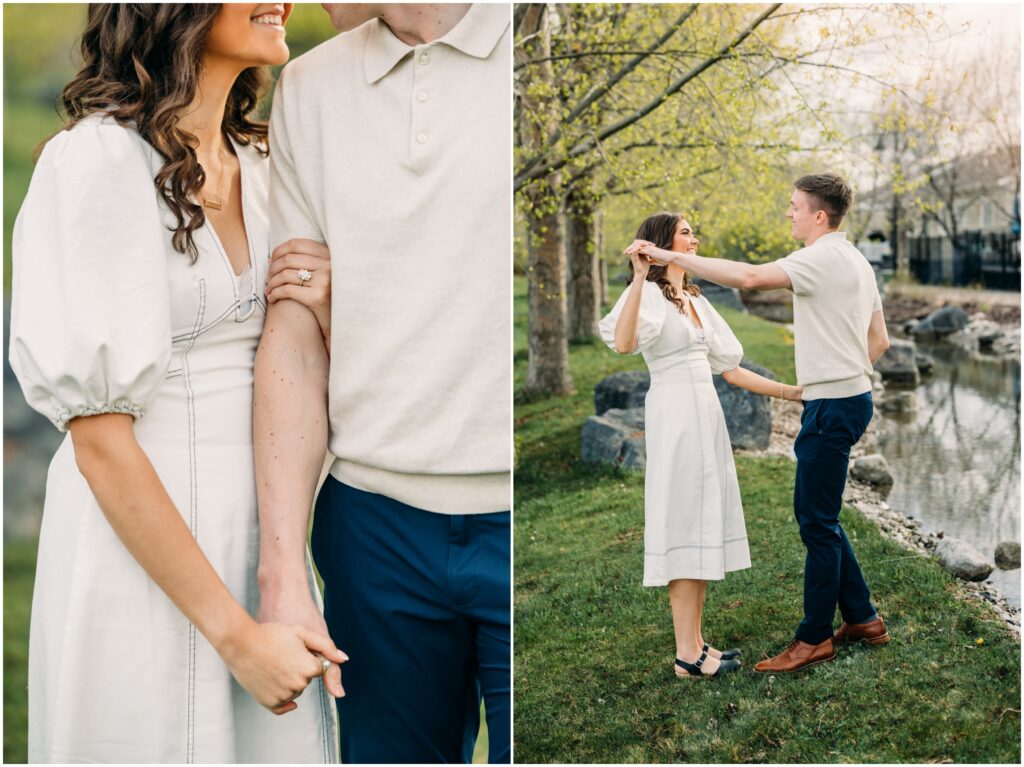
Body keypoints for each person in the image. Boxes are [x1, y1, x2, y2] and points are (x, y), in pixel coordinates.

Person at [9, 4, 344, 761]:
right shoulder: (95, 162)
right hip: (138, 549)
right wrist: (235, 635)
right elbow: (97, 438)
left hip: (262, 539)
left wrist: (327, 302)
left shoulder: (263, 162)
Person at [252, 3, 511, 763]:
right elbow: (293, 336)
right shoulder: (306, 85)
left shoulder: (544, 43)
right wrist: (283, 573)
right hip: (372, 534)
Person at [627, 173, 892, 674]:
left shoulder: (819, 258)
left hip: (832, 404)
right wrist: (845, 374)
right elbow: (878, 341)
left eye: (794, 207)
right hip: (852, 397)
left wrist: (671, 257)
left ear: (819, 215)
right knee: (824, 513)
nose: (788, 213)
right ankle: (862, 618)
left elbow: (748, 278)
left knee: (816, 522)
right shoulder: (857, 259)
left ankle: (813, 638)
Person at [600, 213, 803, 678]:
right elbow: (626, 343)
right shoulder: (647, 296)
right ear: (661, 243)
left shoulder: (693, 298)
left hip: (705, 416)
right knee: (681, 523)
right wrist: (636, 279)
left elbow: (730, 368)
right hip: (674, 417)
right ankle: (685, 654)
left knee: (701, 523)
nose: (695, 239)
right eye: (686, 232)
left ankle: (696, 645)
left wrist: (791, 392)